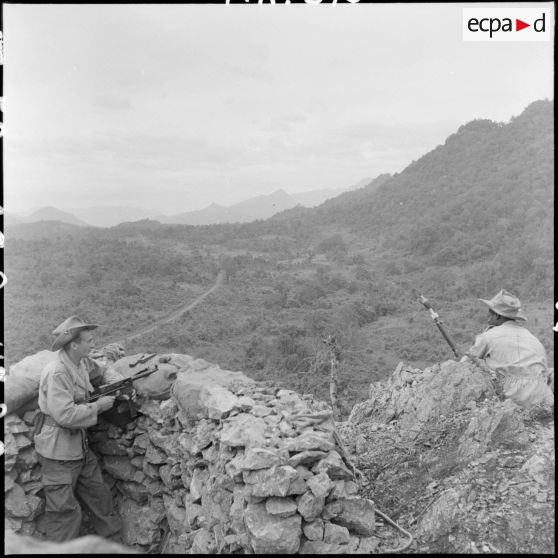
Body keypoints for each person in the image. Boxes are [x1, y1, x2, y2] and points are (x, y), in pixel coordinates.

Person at [34, 316, 124, 542]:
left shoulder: (81, 362)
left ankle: (114, 546)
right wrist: (98, 406)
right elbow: (64, 415)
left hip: (80, 449)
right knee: (63, 513)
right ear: (74, 344)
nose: (94, 344)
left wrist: (119, 382)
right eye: (89, 341)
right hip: (58, 453)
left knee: (100, 498)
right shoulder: (58, 372)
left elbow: (101, 371)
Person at [462, 289, 553, 409]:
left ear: (498, 315)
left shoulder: (488, 336)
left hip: (515, 401)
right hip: (543, 399)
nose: (487, 314)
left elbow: (463, 365)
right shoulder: (533, 339)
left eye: (490, 311)